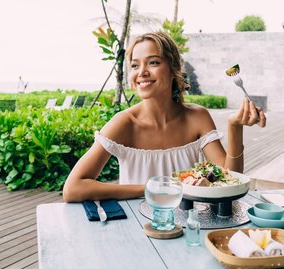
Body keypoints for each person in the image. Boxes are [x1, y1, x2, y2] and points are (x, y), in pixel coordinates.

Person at [63, 32, 266, 202]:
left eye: (153, 62)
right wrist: (157, 188)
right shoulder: (124, 123)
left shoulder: (197, 117)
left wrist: (235, 127)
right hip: (138, 227)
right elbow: (73, 189)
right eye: (134, 65)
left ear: (173, 70)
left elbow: (230, 181)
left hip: (189, 225)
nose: (141, 72)